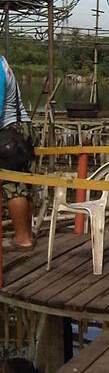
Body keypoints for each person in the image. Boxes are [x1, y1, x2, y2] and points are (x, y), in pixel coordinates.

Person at [0, 55, 35, 250]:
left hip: (10, 135)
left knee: (14, 188)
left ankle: (22, 238)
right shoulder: (3, 62)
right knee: (23, 187)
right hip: (22, 130)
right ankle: (26, 235)